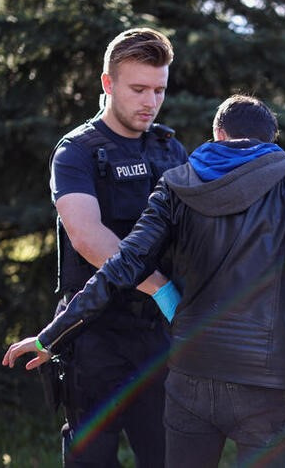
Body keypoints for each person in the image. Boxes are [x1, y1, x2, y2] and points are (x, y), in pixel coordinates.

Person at [4, 94, 285, 467]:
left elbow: (123, 264)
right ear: (271, 141)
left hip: (190, 379)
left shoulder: (175, 184)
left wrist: (51, 336)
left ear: (217, 134)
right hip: (267, 383)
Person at [39, 28, 187, 467]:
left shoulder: (169, 148)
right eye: (138, 88)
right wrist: (162, 287)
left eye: (159, 89)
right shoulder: (76, 152)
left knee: (167, 456)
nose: (150, 101)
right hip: (93, 335)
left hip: (157, 336)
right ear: (107, 84)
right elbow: (89, 238)